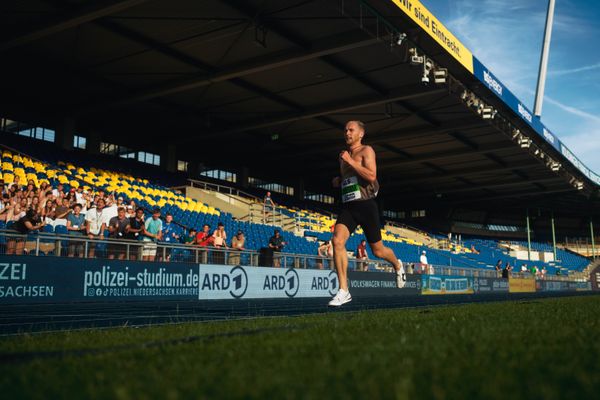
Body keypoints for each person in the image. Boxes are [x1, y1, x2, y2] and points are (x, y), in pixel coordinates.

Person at [328, 121, 405, 306]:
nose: (347, 132)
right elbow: (352, 177)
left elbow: (371, 176)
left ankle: (397, 264)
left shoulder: (366, 151)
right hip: (349, 206)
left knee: (378, 251)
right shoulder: (343, 156)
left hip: (366, 205)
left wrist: (350, 161)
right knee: (337, 241)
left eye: (351, 130)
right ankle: (343, 290)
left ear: (360, 134)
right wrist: (340, 180)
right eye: (345, 129)